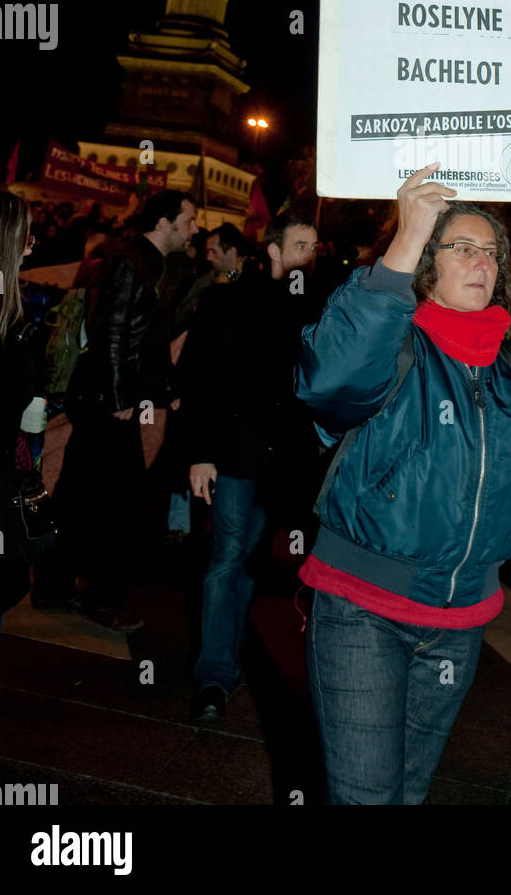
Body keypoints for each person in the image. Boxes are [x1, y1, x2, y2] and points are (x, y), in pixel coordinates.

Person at [295, 162, 511, 805]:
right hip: (363, 608)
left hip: (460, 618)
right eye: (460, 246)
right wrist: (404, 238)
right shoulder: (393, 341)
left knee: (407, 794)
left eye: (490, 252)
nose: (481, 262)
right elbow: (331, 382)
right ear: (429, 263)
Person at [35, 191, 198, 631]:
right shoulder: (129, 261)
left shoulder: (154, 263)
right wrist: (117, 396)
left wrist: (167, 389)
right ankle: (100, 596)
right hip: (108, 403)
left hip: (114, 399)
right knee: (116, 502)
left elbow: (150, 337)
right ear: (164, 223)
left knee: (79, 494)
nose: (194, 228)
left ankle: (54, 583)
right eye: (189, 220)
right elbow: (110, 330)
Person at [186, 212, 320, 722]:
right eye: (302, 244)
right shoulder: (227, 300)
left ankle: (230, 652)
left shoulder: (318, 306)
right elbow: (201, 378)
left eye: (315, 245)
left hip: (288, 464)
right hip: (236, 455)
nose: (311, 253)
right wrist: (200, 452)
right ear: (273, 250)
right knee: (226, 559)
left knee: (248, 563)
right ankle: (215, 676)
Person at [0, 191, 38, 783]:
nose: (31, 247)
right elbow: (11, 424)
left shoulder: (5, 321)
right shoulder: (6, 327)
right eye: (25, 237)